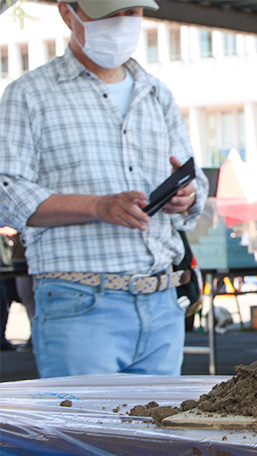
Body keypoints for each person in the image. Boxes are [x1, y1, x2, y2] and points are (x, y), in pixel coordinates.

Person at [0, 0, 208, 380]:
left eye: (133, 12)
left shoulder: (156, 93)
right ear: (68, 13)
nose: (123, 23)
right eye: (110, 12)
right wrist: (97, 206)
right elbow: (6, 192)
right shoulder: (29, 94)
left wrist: (187, 196)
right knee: (83, 419)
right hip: (79, 302)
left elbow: (195, 181)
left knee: (160, 420)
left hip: (162, 302)